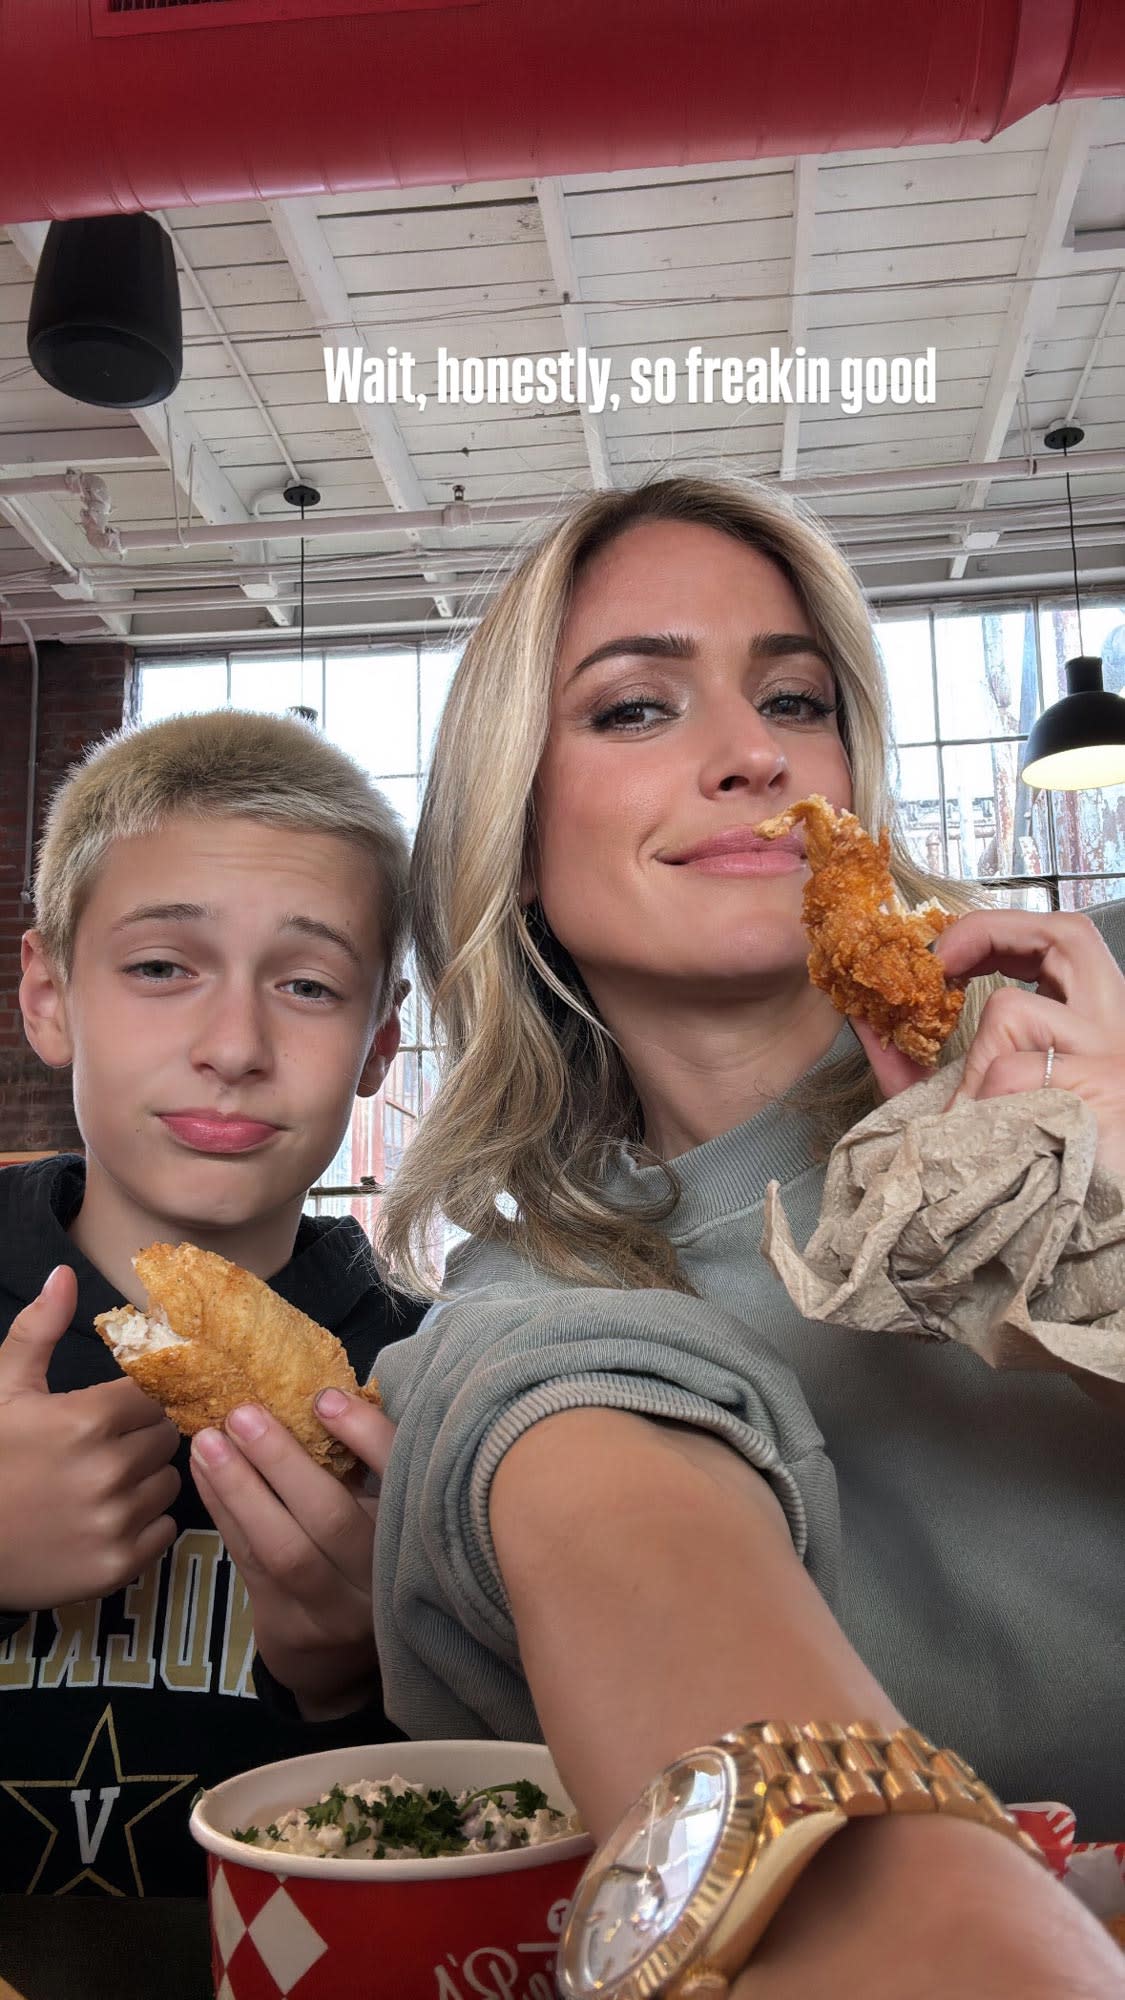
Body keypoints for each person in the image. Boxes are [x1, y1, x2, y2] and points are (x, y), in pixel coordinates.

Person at [190, 480, 1125, 1998]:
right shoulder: (522, 1324)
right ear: (519, 829)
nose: (752, 752)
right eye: (634, 709)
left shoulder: (1107, 1004)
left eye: (793, 697)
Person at [0, 710, 425, 2000]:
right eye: (161, 967)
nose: (234, 1047)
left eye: (307, 985)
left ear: (381, 1043)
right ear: (47, 995)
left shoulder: (427, 1374)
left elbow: (486, 1834)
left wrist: (365, 1669)